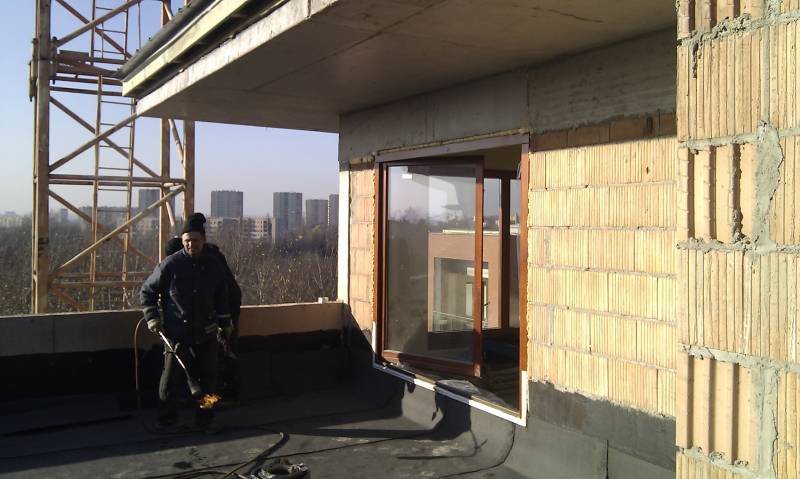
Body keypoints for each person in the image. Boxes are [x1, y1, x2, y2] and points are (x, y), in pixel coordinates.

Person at [141, 213, 231, 429]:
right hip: (176, 334)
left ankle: (206, 417)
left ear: (203, 239)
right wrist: (152, 317)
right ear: (182, 241)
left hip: (206, 333)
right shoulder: (170, 265)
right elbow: (147, 291)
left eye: (195, 240)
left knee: (209, 379)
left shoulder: (213, 266)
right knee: (171, 378)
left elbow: (222, 297)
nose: (191, 244)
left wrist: (225, 323)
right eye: (187, 241)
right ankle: (167, 419)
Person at [165, 213, 242, 399]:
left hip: (223, 311)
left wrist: (224, 322)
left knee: (219, 356)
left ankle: (221, 396)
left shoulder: (208, 260)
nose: (190, 245)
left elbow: (215, 293)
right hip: (224, 309)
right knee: (218, 358)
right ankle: (220, 398)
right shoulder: (208, 254)